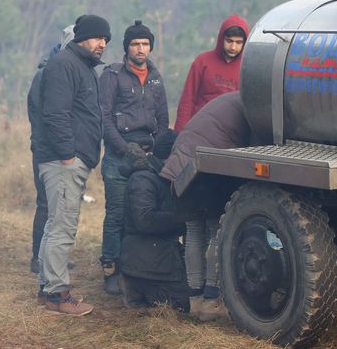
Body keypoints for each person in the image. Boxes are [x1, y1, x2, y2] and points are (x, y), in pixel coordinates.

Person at [35, 14, 111, 316]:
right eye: (97, 38)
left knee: (56, 224)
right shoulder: (64, 65)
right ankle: (57, 293)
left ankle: (47, 287)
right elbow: (55, 114)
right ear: (81, 38)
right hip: (62, 160)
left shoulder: (83, 67)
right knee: (63, 228)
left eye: (105, 39)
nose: (102, 44)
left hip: (73, 159)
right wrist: (68, 156)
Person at [160, 91, 251, 320]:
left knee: (193, 231)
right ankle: (212, 300)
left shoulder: (230, 99)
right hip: (207, 168)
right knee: (214, 231)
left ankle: (196, 301)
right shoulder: (253, 106)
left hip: (184, 166)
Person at [98, 19, 169, 295]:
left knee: (140, 213)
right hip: (119, 156)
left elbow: (163, 117)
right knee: (115, 213)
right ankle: (110, 267)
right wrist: (125, 149)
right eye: (135, 44)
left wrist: (158, 147)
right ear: (127, 47)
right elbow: (103, 118)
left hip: (149, 155)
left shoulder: (155, 77)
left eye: (145, 44)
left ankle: (135, 268)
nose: (141, 49)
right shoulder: (112, 75)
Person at [119, 129, 190, 312]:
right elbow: (145, 220)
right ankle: (136, 294)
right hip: (147, 263)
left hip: (154, 259)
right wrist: (186, 218)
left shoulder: (159, 175)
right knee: (185, 303)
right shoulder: (143, 179)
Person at [27, 24, 74, 274]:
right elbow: (41, 116)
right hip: (47, 150)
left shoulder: (74, 71)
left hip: (66, 149)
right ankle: (38, 257)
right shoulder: (45, 74)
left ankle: (54, 256)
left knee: (62, 206)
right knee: (46, 204)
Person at [174, 14, 249, 131]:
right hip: (200, 128)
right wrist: (179, 133)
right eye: (229, 41)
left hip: (232, 132)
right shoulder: (202, 62)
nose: (233, 47)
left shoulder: (246, 68)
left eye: (238, 42)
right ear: (221, 38)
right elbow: (187, 100)